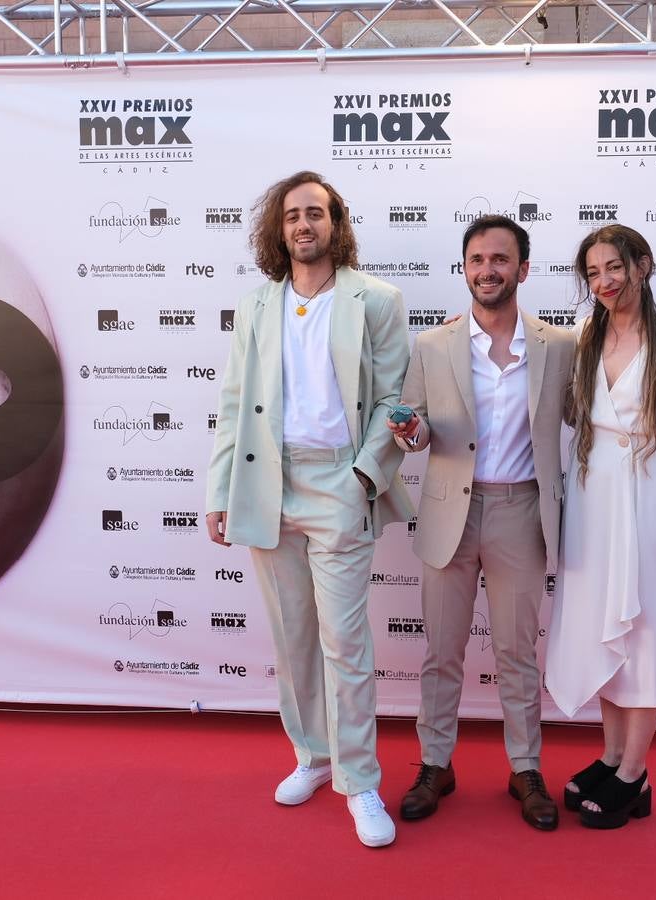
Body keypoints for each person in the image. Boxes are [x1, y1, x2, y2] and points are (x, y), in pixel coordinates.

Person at [205, 171, 414, 848]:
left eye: (315, 213)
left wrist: (362, 475)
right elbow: (234, 406)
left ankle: (360, 782)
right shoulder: (255, 307)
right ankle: (313, 757)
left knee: (345, 643)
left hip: (339, 484)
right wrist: (219, 493)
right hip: (268, 482)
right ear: (279, 229)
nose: (304, 225)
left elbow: (392, 401)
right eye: (292, 215)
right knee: (292, 638)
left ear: (335, 223)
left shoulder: (376, 300)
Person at [386, 215, 574, 831]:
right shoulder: (433, 345)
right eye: (476, 259)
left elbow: (594, 417)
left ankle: (525, 768)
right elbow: (413, 429)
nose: (487, 270)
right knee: (442, 652)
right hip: (449, 513)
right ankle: (435, 763)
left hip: (522, 510)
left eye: (499, 259)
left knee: (518, 652)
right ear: (463, 268)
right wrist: (410, 432)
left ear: (523, 268)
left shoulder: (560, 346)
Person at [544, 223, 656, 829]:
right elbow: (533, 355)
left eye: (614, 267)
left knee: (642, 628)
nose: (605, 282)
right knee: (600, 625)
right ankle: (612, 757)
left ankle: (635, 775)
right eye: (593, 273)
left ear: (644, 264)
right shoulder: (586, 335)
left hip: (641, 496)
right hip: (589, 491)